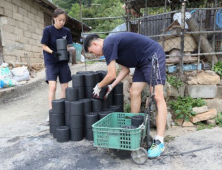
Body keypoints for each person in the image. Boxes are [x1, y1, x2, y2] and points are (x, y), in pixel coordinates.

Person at [84, 32, 167, 158]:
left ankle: (159, 141)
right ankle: (134, 129)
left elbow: (111, 75)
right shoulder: (111, 47)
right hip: (141, 63)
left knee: (157, 96)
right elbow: (125, 70)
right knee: (134, 91)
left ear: (95, 44)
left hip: (152, 55)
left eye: (92, 51)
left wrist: (99, 86)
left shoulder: (108, 44)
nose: (94, 54)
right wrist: (111, 86)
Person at [41, 8, 74, 122]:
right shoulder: (48, 30)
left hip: (63, 62)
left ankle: (63, 111)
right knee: (53, 87)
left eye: (64, 20)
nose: (61, 22)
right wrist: (53, 53)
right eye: (59, 20)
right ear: (54, 18)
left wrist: (67, 52)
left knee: (64, 87)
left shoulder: (67, 31)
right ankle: (52, 113)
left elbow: (68, 46)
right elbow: (44, 46)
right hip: (51, 61)